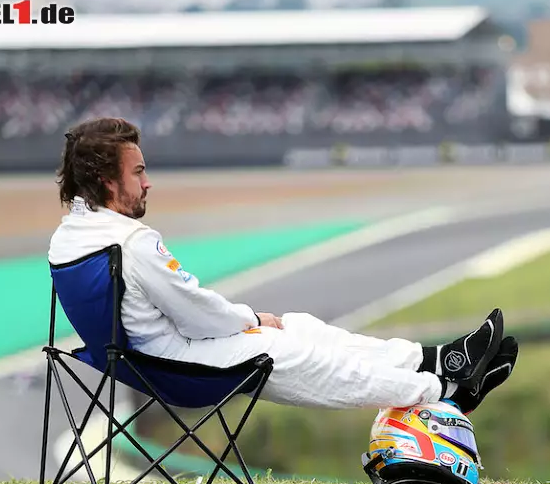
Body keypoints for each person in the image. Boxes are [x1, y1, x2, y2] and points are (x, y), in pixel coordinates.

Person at [48, 117, 518, 413]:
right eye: (139, 172)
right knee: (293, 350)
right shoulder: (132, 243)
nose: (149, 183)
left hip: (141, 361)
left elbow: (187, 315)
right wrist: (252, 320)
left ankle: (435, 360)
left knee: (301, 326)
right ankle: (444, 391)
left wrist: (253, 322)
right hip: (173, 366)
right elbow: (196, 312)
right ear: (108, 181)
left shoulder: (67, 239)